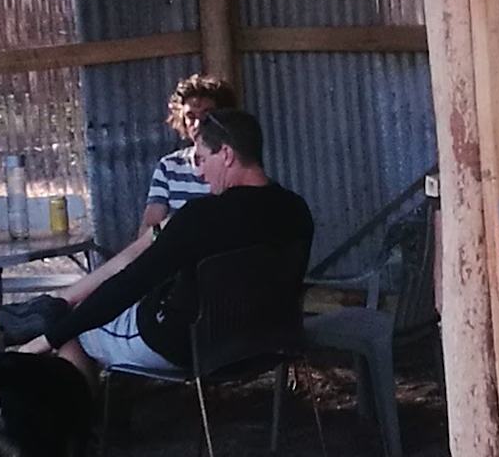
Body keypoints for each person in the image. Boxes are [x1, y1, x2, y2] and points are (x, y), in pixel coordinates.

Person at [21, 104, 309, 378]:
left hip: (187, 347)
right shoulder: (296, 209)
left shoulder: (199, 217)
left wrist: (47, 339)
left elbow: (130, 284)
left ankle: (85, 424)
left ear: (227, 155)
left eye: (203, 159)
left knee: (74, 327)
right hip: (266, 342)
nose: (199, 171)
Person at [83, 74, 239, 289]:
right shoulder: (169, 166)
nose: (197, 124)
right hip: (176, 265)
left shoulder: (235, 163)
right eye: (190, 116)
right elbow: (151, 226)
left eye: (207, 115)